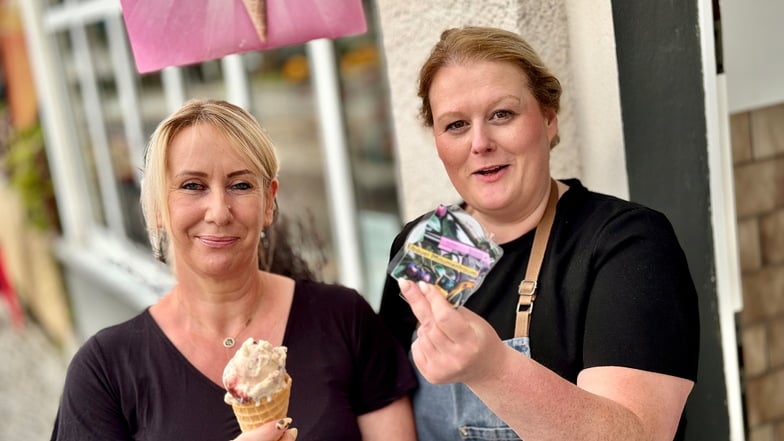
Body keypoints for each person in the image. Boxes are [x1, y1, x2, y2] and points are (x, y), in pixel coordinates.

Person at [379, 26, 700, 441]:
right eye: (456, 125)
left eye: (502, 115)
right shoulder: (428, 245)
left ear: (548, 119)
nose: (480, 143)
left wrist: (492, 369)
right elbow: (385, 410)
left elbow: (637, 434)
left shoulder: (625, 244)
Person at [51, 99, 417, 441]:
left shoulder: (343, 320)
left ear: (269, 202)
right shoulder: (105, 371)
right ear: (160, 206)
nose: (219, 211)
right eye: (192, 186)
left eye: (240, 185)